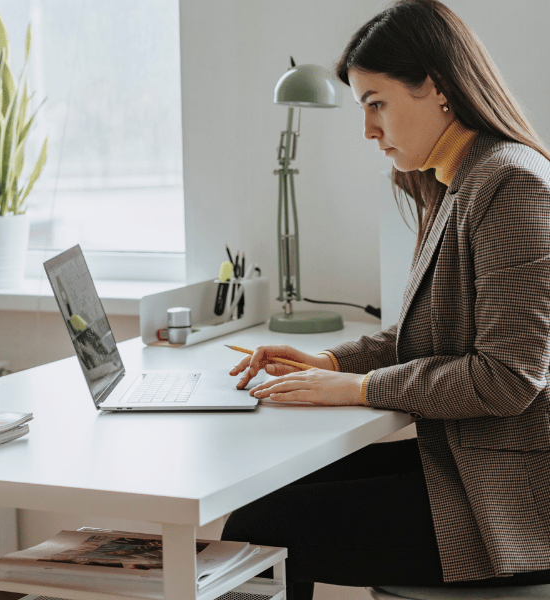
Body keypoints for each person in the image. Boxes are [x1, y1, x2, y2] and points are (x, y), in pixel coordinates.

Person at [220, 1, 550, 599]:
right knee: (264, 501)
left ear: (438, 88)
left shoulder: (510, 182)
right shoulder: (453, 180)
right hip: (470, 467)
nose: (368, 130)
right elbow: (424, 337)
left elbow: (509, 377)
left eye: (377, 104)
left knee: (259, 531)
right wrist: (333, 364)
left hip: (516, 502)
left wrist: (361, 389)